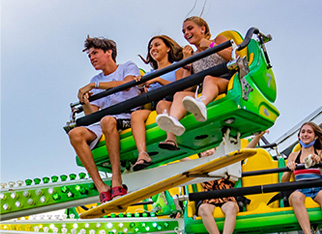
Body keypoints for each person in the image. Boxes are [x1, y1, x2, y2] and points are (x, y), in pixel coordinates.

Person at [68, 36, 140, 203]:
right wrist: (85, 101)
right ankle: (101, 186)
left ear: (109, 52)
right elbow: (91, 115)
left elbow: (127, 84)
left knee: (107, 120)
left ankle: (116, 180)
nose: (92, 58)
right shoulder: (96, 79)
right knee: (75, 134)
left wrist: (94, 87)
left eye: (95, 53)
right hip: (104, 121)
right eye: (90, 56)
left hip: (127, 116)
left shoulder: (127, 66)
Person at [156, 16, 233, 150]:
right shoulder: (194, 55)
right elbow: (188, 86)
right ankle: (174, 120)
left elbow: (232, 56)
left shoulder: (218, 40)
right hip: (203, 90)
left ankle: (202, 104)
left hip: (224, 81)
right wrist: (188, 62)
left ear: (202, 29)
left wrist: (210, 46)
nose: (186, 33)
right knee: (180, 94)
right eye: (184, 31)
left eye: (190, 28)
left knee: (208, 78)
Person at [131, 35, 184, 170]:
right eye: (150, 47)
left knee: (162, 104)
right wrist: (141, 86)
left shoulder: (177, 67)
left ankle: (171, 138)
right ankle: (142, 154)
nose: (153, 49)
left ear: (167, 48)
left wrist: (159, 80)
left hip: (173, 101)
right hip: (156, 105)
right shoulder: (150, 74)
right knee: (136, 116)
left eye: (157, 45)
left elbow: (181, 86)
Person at [196, 148, 250, 234]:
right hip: (209, 198)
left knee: (230, 207)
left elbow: (244, 154)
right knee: (203, 209)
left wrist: (257, 137)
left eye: (211, 148)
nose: (208, 151)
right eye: (203, 151)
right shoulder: (199, 167)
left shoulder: (227, 162)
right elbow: (183, 159)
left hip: (227, 197)